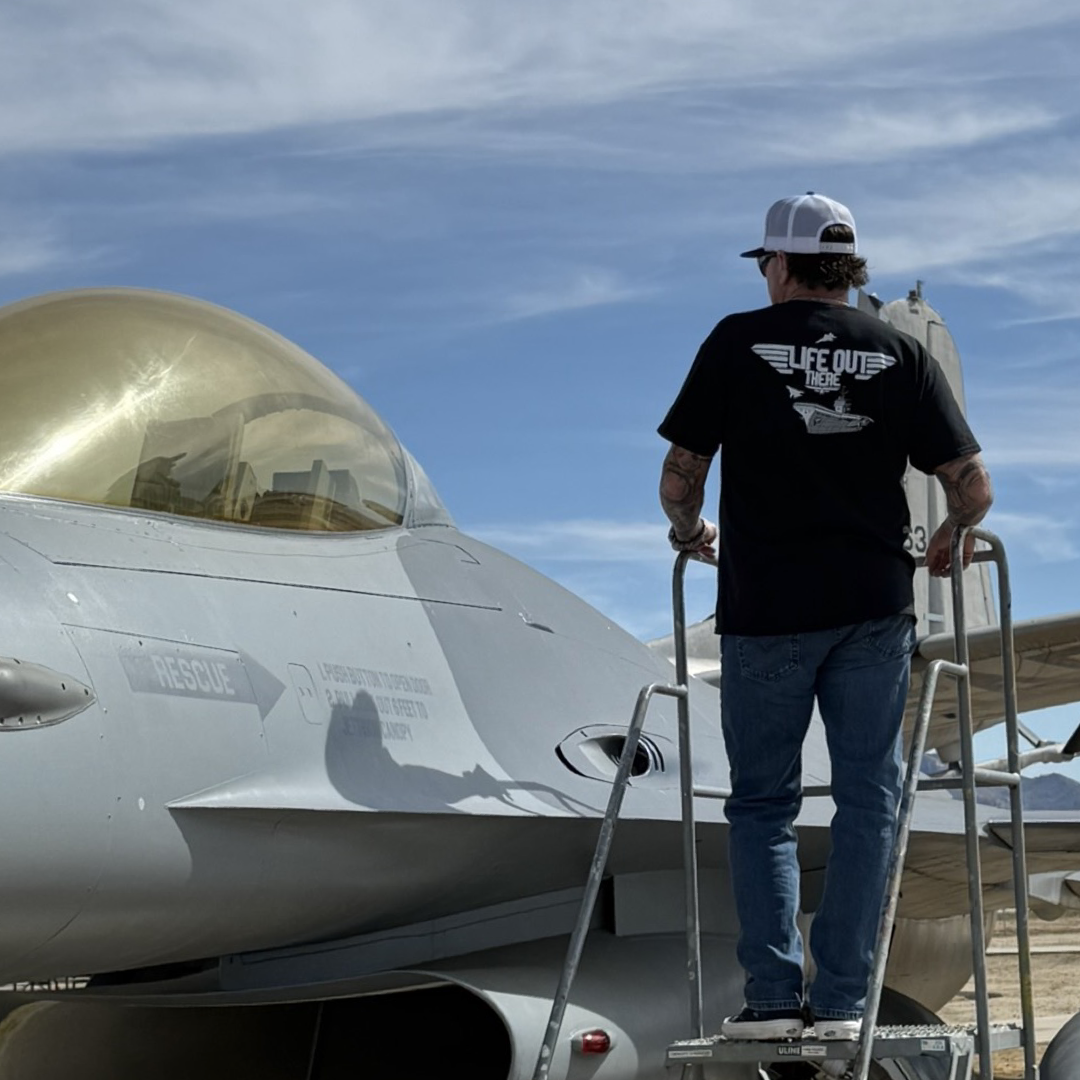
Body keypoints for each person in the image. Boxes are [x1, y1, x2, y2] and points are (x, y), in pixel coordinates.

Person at [656, 193, 993, 1041]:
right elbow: (973, 486)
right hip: (874, 610)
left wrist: (691, 532)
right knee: (870, 800)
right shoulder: (902, 353)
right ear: (850, 268)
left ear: (779, 263)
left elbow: (680, 474)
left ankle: (771, 1001)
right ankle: (845, 1003)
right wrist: (951, 537)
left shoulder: (736, 342)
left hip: (767, 607)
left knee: (762, 805)